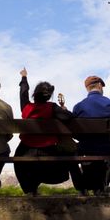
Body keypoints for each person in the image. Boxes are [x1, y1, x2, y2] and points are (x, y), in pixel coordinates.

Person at [14, 68, 79, 196]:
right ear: (48, 96)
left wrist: (24, 77)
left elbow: (23, 93)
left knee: (18, 158)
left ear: (35, 95)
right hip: (48, 152)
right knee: (70, 153)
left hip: (26, 151)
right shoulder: (52, 108)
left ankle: (29, 190)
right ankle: (81, 187)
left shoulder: (26, 107)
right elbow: (69, 117)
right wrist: (63, 110)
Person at [72, 75, 110, 195]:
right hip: (106, 147)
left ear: (87, 88)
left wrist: (84, 139)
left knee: (72, 157)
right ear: (99, 85)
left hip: (85, 148)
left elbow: (74, 133)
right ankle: (101, 187)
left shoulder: (78, 107)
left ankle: (82, 188)